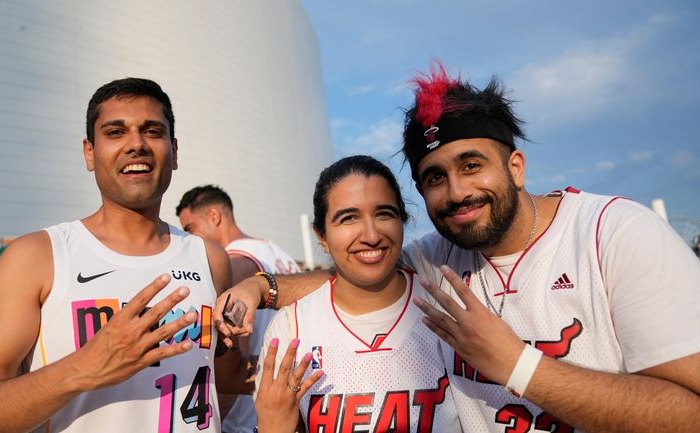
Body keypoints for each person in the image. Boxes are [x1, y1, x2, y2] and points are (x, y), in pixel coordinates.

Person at [214, 64, 700, 433]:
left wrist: (517, 366)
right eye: (435, 177)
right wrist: (262, 286)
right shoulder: (438, 258)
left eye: (472, 165)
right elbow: (355, 277)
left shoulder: (614, 234)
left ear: (515, 166)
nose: (457, 192)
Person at [0, 78, 250, 433]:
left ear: (175, 150)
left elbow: (227, 376)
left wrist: (278, 295)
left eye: (152, 131)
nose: (136, 144)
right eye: (116, 132)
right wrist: (82, 368)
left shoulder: (209, 256)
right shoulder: (37, 256)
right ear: (89, 152)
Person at [254, 155, 460, 433]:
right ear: (322, 236)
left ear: (403, 220)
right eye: (348, 218)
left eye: (384, 214)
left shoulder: (447, 308)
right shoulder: (292, 328)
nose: (371, 235)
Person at [177, 185, 301, 433]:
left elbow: (232, 357)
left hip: (245, 420)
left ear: (214, 216)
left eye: (190, 229)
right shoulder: (279, 254)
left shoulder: (234, 262)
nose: (189, 238)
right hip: (287, 413)